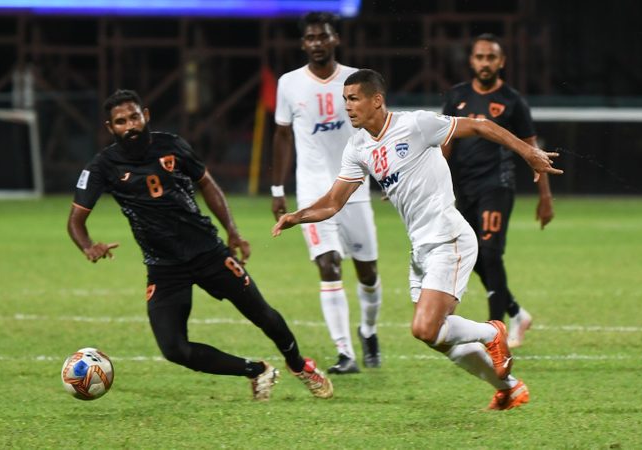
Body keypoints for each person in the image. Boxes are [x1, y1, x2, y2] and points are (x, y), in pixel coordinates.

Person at [272, 69, 562, 410]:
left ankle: (492, 333)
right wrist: (297, 216)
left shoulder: (416, 124)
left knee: (425, 328)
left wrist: (527, 152)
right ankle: (509, 388)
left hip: (448, 238)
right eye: (345, 100)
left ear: (376, 100)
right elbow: (334, 202)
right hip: (421, 249)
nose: (347, 106)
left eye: (354, 99)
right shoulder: (358, 147)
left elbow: (480, 126)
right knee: (438, 337)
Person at [67, 89, 333, 401]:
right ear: (110, 127)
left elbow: (207, 183)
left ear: (146, 116)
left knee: (262, 314)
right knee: (174, 348)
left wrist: (232, 231)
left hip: (208, 251)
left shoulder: (172, 145)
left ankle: (300, 365)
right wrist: (88, 246)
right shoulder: (102, 166)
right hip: (164, 267)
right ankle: (256, 370)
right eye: (121, 122)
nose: (130, 126)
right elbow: (75, 221)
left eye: (134, 117)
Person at [271, 12, 382, 374]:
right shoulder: (289, 83)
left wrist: (387, 173)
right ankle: (345, 353)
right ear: (303, 43)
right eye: (310, 38)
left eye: (323, 36)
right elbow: (282, 135)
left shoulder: (356, 80)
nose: (317, 43)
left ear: (336, 39)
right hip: (312, 191)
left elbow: (377, 129)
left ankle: (368, 331)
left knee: (367, 273)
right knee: (328, 264)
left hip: (354, 187)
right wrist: (277, 189)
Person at [441, 33, 553, 348]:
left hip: (497, 186)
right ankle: (516, 312)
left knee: (490, 253)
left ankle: (496, 334)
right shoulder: (457, 96)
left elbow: (533, 151)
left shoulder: (513, 101)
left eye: (491, 57)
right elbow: (444, 144)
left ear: (501, 61)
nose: (485, 63)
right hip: (464, 188)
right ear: (471, 61)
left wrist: (545, 197)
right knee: (470, 253)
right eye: (480, 57)